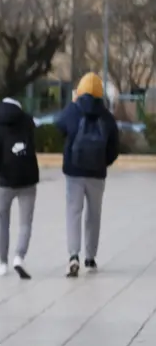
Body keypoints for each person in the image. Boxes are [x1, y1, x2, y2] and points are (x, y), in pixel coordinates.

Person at [56, 72, 119, 277]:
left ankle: (73, 256)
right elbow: (114, 148)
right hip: (97, 174)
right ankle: (90, 259)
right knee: (94, 215)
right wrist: (102, 162)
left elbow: (59, 126)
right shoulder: (107, 116)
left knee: (73, 213)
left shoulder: (73, 110)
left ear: (80, 90)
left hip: (74, 172)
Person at [0, 97, 39, 279]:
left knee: (2, 220)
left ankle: (2, 263)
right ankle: (19, 257)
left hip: (6, 179)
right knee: (25, 222)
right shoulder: (28, 121)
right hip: (28, 178)